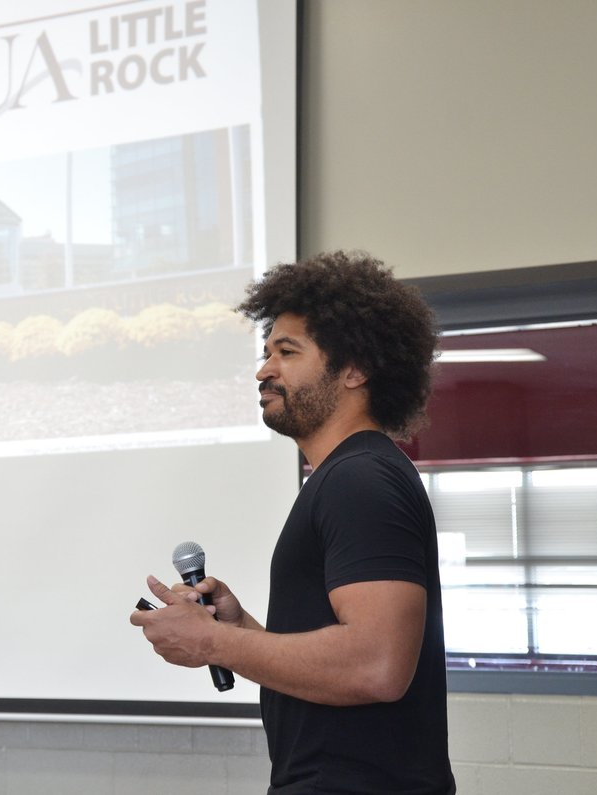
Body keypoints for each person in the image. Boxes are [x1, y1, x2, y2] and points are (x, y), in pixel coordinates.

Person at [131, 251, 455, 794]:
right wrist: (240, 631)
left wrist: (212, 645)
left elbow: (377, 665)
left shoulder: (361, 480)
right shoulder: (342, 478)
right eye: (265, 353)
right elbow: (341, 657)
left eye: (287, 352)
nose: (264, 370)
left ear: (356, 369)